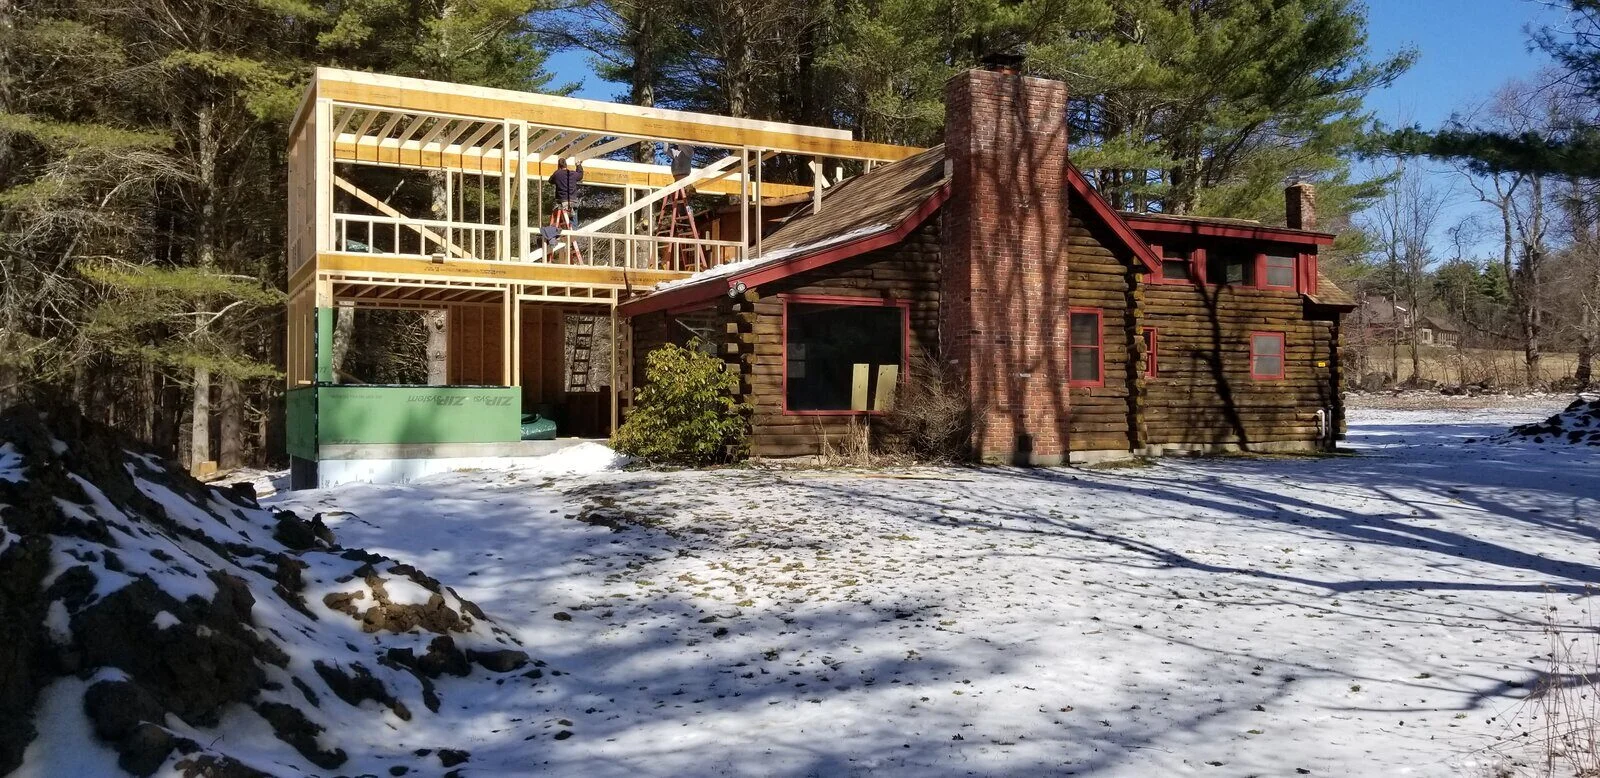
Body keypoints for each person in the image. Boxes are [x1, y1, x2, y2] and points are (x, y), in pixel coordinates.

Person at [549, 156, 583, 227]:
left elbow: (550, 181)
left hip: (562, 202)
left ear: (558, 166)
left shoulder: (557, 174)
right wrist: (578, 165)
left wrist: (557, 173)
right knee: (573, 223)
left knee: (562, 221)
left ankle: (557, 232)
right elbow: (580, 175)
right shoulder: (572, 174)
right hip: (573, 201)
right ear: (566, 165)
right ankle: (573, 233)